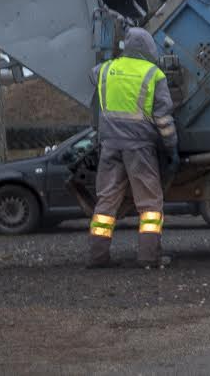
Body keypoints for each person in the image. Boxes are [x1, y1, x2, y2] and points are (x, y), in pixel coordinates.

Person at [87, 27, 178, 269]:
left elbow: (91, 74)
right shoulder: (154, 75)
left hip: (109, 146)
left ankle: (98, 257)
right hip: (139, 149)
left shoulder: (105, 70)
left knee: (106, 202)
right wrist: (171, 147)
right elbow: (164, 120)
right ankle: (149, 258)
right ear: (148, 48)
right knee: (149, 204)